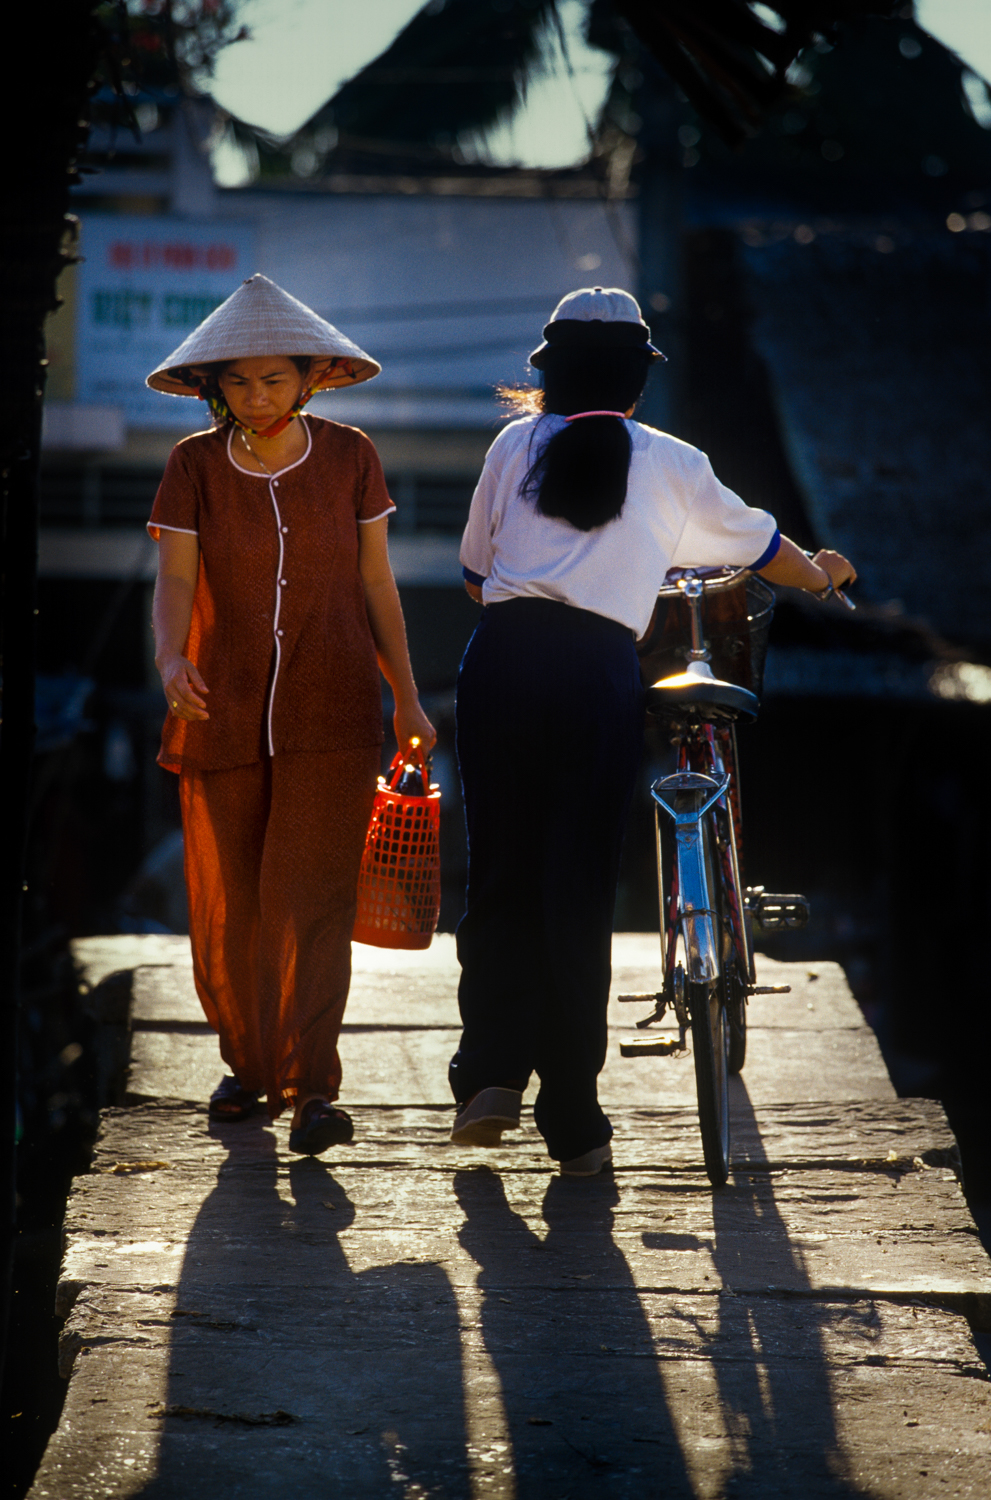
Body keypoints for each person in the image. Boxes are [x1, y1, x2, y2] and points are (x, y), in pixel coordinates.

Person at [449, 287, 855, 1176]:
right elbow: (761, 551)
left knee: (502, 872)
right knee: (576, 890)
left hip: (503, 662)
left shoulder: (514, 444)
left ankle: (486, 1077)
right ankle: (573, 1121)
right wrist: (821, 577)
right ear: (636, 379)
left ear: (547, 374)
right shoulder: (673, 462)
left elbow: (475, 574)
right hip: (596, 671)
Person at [146, 274, 435, 1155]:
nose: (256, 396)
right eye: (238, 381)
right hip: (223, 706)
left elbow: (376, 582)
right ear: (213, 388)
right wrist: (169, 656)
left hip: (333, 707)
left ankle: (314, 1087)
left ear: (308, 379)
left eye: (274, 379)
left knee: (311, 899)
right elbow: (177, 580)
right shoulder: (192, 466)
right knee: (233, 899)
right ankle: (248, 1065)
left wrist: (408, 696)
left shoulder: (350, 456)